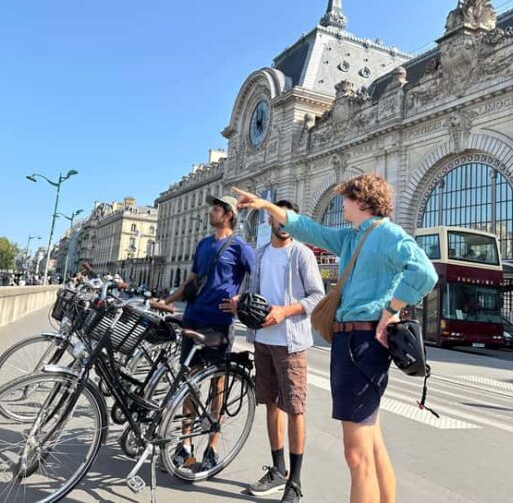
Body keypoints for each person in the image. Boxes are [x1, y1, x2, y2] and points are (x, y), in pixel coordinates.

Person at [233, 175, 437, 503]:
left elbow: (425, 273)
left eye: (346, 198)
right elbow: (308, 229)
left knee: (356, 456)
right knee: (371, 444)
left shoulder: (387, 234)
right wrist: (265, 205)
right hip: (352, 343)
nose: (341, 204)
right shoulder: (352, 237)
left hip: (362, 343)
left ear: (362, 201)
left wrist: (390, 310)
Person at [220, 200, 324, 503]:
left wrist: (285, 311)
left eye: (284, 217)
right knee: (271, 405)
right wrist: (241, 300)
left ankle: (295, 480)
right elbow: (256, 294)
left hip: (291, 343)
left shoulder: (302, 254)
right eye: (274, 216)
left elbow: (318, 296)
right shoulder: (262, 255)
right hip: (263, 340)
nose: (279, 221)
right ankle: (278, 469)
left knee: (295, 408)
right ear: (269, 219)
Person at [154, 194, 254, 473]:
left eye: (217, 208)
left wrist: (240, 302)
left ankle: (212, 446)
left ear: (229, 215)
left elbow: (255, 278)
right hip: (193, 318)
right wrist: (169, 301)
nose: (211, 211)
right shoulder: (203, 244)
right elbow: (190, 280)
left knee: (217, 385)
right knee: (189, 383)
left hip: (219, 323)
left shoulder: (240, 247)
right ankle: (185, 446)